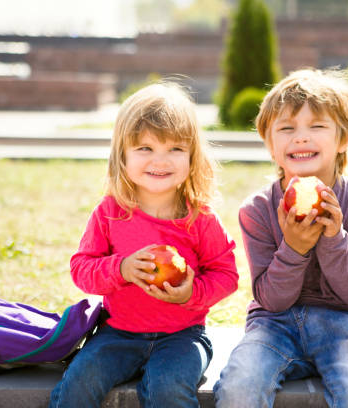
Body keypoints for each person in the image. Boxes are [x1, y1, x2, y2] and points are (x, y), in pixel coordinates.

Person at [213, 68, 348, 408]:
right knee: (239, 389)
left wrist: (333, 237)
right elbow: (271, 298)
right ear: (269, 145)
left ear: (344, 139)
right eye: (286, 128)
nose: (300, 137)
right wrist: (294, 248)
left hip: (344, 322)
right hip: (274, 324)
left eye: (317, 126)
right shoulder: (256, 209)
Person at [49, 82, 238, 408]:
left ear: (192, 157)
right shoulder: (110, 212)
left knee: (169, 390)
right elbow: (81, 269)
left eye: (175, 149)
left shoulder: (199, 218)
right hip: (117, 333)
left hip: (182, 336)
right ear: (122, 156)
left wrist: (191, 293)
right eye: (145, 149)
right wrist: (120, 268)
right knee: (79, 383)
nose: (160, 160)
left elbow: (226, 274)